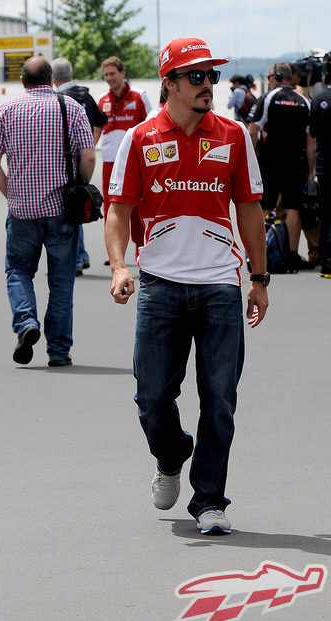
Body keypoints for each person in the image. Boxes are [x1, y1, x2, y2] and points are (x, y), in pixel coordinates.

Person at [106, 37, 269, 535]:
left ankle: (210, 500)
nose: (208, 86)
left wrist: (260, 279)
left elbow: (249, 208)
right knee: (152, 397)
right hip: (160, 286)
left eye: (212, 77)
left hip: (221, 285)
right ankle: (171, 454)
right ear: (170, 82)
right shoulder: (140, 138)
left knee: (220, 398)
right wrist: (118, 266)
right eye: (196, 76)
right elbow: (118, 211)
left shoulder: (235, 134)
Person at [0, 56, 95, 367]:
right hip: (62, 209)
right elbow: (88, 157)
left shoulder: (5, 110)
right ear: (51, 80)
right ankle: (58, 351)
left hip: (22, 212)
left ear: (22, 82)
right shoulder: (70, 108)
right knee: (61, 281)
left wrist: (12, 194)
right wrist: (80, 185)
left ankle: (26, 322)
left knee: (18, 271)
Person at [248, 61, 313, 270]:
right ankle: (292, 254)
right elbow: (310, 140)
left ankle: (263, 252)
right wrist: (310, 171)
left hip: (270, 161)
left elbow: (252, 131)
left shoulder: (268, 98)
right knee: (294, 208)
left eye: (269, 78)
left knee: (265, 206)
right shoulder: (304, 101)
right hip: (296, 162)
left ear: (276, 78)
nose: (268, 81)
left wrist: (250, 162)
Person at [52, 57, 107, 276]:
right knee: (76, 208)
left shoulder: (59, 99)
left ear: (53, 78)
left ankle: (75, 260)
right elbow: (100, 121)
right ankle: (81, 255)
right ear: (72, 73)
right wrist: (89, 147)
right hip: (84, 161)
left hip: (64, 163)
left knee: (68, 212)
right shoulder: (86, 95)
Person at [98, 56, 151, 261]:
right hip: (109, 161)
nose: (110, 78)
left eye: (113, 73)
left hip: (134, 162)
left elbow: (150, 126)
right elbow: (97, 128)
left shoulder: (139, 96)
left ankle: (140, 248)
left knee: (137, 206)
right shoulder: (102, 98)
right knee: (110, 205)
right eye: (106, 75)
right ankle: (114, 253)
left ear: (122, 73)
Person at [309, 79, 331, 277]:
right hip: (323, 165)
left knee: (325, 216)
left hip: (324, 166)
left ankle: (326, 263)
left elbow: (313, 133)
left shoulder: (319, 98)